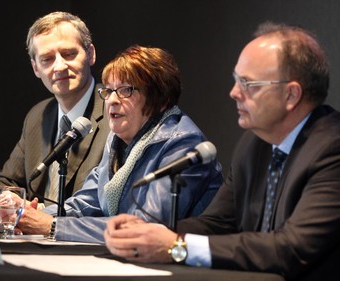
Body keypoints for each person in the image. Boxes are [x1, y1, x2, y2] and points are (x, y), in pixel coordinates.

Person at [104, 22, 340, 281]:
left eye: (248, 83)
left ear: (291, 94)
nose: (234, 92)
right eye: (236, 80)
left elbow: (292, 248)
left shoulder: (332, 149)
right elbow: (217, 224)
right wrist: (149, 231)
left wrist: (177, 247)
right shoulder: (253, 144)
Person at [0, 45, 223, 243]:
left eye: (126, 90)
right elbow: (85, 202)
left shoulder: (182, 144)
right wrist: (29, 216)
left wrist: (52, 225)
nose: (112, 101)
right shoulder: (118, 139)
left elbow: (144, 227)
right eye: (108, 91)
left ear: (160, 97)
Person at [0, 12, 109, 207]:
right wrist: (9, 201)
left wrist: (40, 212)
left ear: (90, 54)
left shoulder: (115, 110)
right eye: (47, 59)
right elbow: (3, 181)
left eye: (68, 54)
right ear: (35, 68)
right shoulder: (38, 115)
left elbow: (105, 201)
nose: (59, 66)